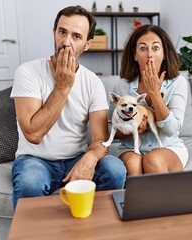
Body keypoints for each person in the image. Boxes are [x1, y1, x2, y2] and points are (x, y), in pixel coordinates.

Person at [10, 6, 126, 210]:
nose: (66, 42)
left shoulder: (93, 82)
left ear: (87, 44)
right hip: (36, 159)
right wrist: (63, 86)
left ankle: (98, 229)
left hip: (76, 157)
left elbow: (101, 139)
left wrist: (89, 159)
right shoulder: (27, 72)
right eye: (62, 32)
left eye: (76, 36)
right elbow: (33, 134)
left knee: (114, 169)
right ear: (54, 32)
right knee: (30, 182)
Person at [109, 24, 188, 175]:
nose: (149, 54)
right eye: (143, 48)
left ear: (164, 53)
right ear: (135, 54)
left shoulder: (178, 82)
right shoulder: (122, 85)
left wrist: (154, 93)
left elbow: (171, 130)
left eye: (156, 48)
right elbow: (110, 128)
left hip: (168, 147)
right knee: (133, 163)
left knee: (153, 159)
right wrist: (131, 128)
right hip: (130, 147)